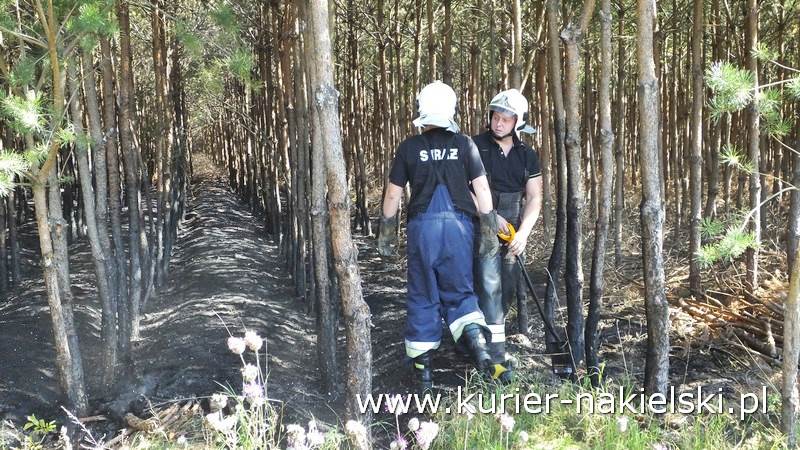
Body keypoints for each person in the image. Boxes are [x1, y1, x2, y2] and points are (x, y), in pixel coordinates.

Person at [378, 81, 500, 390]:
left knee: (423, 295)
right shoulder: (464, 144)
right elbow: (482, 189)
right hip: (460, 228)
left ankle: (424, 375)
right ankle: (480, 350)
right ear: (451, 112)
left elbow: (393, 195)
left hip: (423, 229)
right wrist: (488, 230)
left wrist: (387, 233)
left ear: (422, 113)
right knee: (460, 292)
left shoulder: (409, 148)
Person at [472, 88, 543, 384]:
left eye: (505, 119)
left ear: (518, 122)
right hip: (481, 224)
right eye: (495, 117)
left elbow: (535, 197)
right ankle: (487, 355)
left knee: (508, 287)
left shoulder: (527, 156)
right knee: (485, 286)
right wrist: (489, 215)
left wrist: (523, 233)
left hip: (513, 227)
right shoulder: (474, 146)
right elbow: (466, 188)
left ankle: (488, 339)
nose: (498, 123)